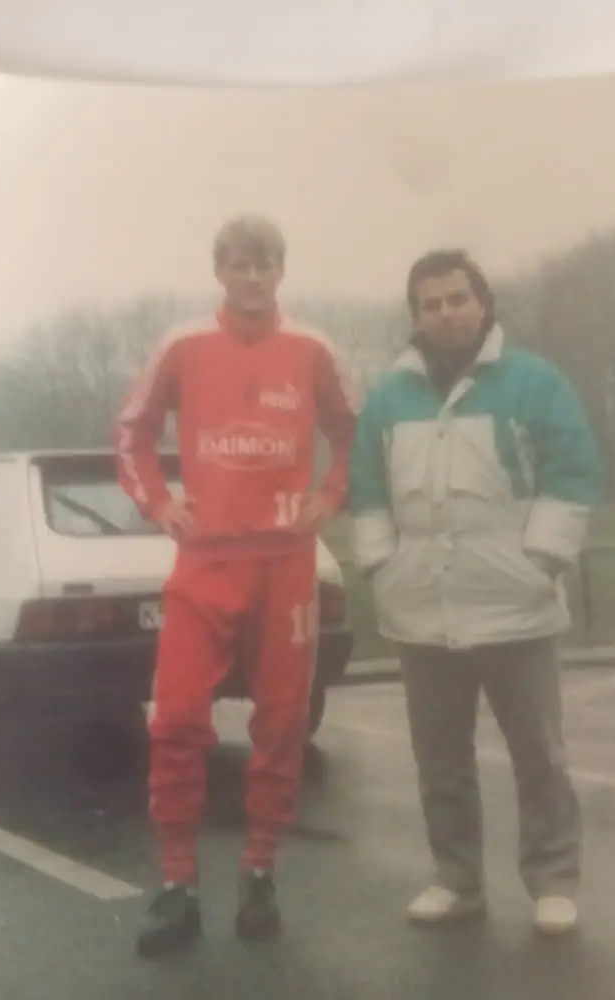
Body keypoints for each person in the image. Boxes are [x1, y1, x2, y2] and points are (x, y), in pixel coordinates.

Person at [114, 213, 360, 957]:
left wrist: (331, 495)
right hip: (207, 564)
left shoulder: (312, 348)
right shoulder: (184, 344)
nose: (253, 278)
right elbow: (132, 432)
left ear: (281, 270)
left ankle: (259, 872)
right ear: (219, 269)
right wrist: (160, 504)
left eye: (265, 265)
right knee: (176, 719)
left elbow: (354, 432)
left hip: (286, 565)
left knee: (283, 722)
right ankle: (178, 884)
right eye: (240, 265)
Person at [349, 248, 603, 935]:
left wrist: (540, 563)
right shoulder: (387, 399)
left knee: (539, 756)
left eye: (457, 298)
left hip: (517, 608)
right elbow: (367, 493)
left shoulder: (535, 382)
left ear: (483, 304)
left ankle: (553, 881)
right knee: (440, 761)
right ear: (415, 317)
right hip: (421, 614)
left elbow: (572, 476)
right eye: (430, 304)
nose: (446, 313)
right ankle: (456, 880)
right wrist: (382, 568)